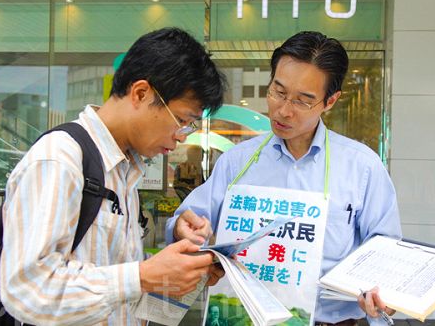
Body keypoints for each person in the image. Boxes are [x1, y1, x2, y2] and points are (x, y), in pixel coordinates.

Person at [166, 30, 402, 325]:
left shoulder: (362, 167)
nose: (284, 110)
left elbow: (385, 255)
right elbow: (185, 221)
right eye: (278, 92)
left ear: (330, 102)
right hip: (242, 318)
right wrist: (182, 230)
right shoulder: (238, 161)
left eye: (303, 101)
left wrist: (384, 297)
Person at [0, 27, 226, 325]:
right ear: (141, 93)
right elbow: (27, 291)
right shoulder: (60, 159)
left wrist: (179, 270)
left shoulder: (124, 171)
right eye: (182, 121)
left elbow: (119, 284)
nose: (182, 137)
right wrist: (143, 275)